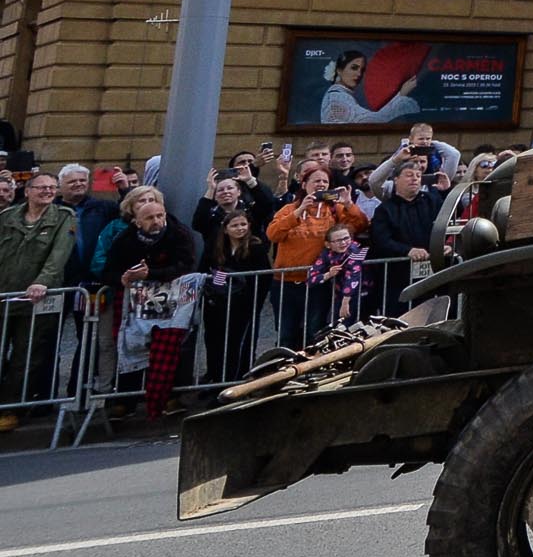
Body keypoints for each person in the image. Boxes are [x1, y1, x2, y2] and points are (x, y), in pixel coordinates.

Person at [102, 187, 200, 417]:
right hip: (136, 306)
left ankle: (169, 397)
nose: (156, 221)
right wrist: (122, 278)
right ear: (137, 222)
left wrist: (151, 274)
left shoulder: (178, 233)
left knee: (169, 351)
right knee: (131, 346)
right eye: (149, 218)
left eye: (159, 216)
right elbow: (108, 271)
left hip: (172, 305)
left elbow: (186, 265)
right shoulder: (125, 239)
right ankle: (126, 400)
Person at [0, 170, 75, 427]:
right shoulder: (7, 217)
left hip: (37, 299)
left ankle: (10, 408)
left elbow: (59, 254)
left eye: (52, 188)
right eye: (41, 187)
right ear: (27, 191)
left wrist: (42, 281)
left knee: (27, 353)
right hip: (4, 295)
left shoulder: (64, 217)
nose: (47, 191)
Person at [267, 165, 369, 349]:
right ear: (304, 184)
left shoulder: (334, 210)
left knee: (314, 331)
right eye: (316, 181)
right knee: (286, 333)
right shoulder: (289, 208)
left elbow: (360, 225)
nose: (321, 184)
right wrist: (299, 211)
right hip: (286, 282)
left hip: (318, 282)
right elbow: (273, 234)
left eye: (325, 181)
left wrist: (348, 204)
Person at [197, 210, 274, 385]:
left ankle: (235, 381)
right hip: (217, 303)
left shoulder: (255, 247)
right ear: (225, 229)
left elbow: (263, 277)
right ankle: (216, 379)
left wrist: (256, 301)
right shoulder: (216, 247)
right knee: (214, 342)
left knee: (236, 345)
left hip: (243, 304)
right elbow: (208, 269)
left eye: (243, 225)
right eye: (235, 225)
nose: (240, 229)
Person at [364, 161, 444, 317]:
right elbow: (381, 240)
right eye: (409, 175)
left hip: (431, 274)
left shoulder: (433, 201)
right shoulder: (385, 209)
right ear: (396, 180)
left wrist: (446, 244)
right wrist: (407, 251)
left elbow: (448, 226)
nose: (414, 179)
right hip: (397, 277)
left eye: (418, 176)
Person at [319, 47, 424, 128]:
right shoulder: (337, 97)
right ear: (339, 70)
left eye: (362, 70)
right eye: (354, 68)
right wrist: (402, 93)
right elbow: (375, 120)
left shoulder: (340, 94)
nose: (359, 74)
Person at [301, 225, 368, 331]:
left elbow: (353, 277)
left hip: (360, 294)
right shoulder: (326, 254)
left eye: (346, 238)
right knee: (335, 326)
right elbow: (310, 278)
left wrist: (345, 302)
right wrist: (328, 274)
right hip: (339, 294)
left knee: (351, 326)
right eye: (338, 240)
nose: (343, 243)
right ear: (328, 244)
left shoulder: (356, 252)